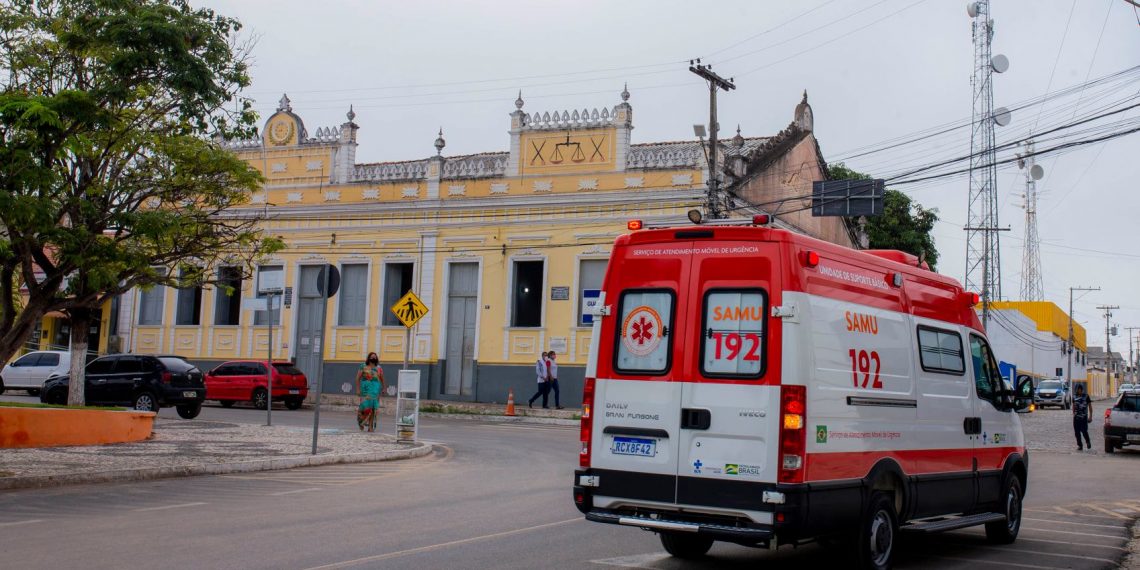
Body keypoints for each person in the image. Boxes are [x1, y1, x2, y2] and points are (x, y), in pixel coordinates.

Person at [356, 352, 384, 432]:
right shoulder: (363, 366)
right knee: (364, 408)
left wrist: (384, 388)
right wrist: (358, 389)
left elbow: (382, 378)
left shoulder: (379, 368)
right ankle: (361, 421)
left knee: (373, 408)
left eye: (374, 357)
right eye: (371, 357)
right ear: (368, 358)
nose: (373, 358)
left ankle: (370, 427)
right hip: (365, 390)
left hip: (375, 391)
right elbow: (357, 378)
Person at [1072, 383, 1092, 451]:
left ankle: (1088, 441)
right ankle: (1080, 445)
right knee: (1077, 432)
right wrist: (1073, 413)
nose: (1078, 391)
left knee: (1084, 431)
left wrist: (1090, 416)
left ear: (1081, 389)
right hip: (1076, 418)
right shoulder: (1074, 397)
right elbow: (1073, 406)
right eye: (1077, 389)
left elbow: (1090, 406)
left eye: (1079, 389)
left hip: (1084, 417)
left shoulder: (1086, 396)